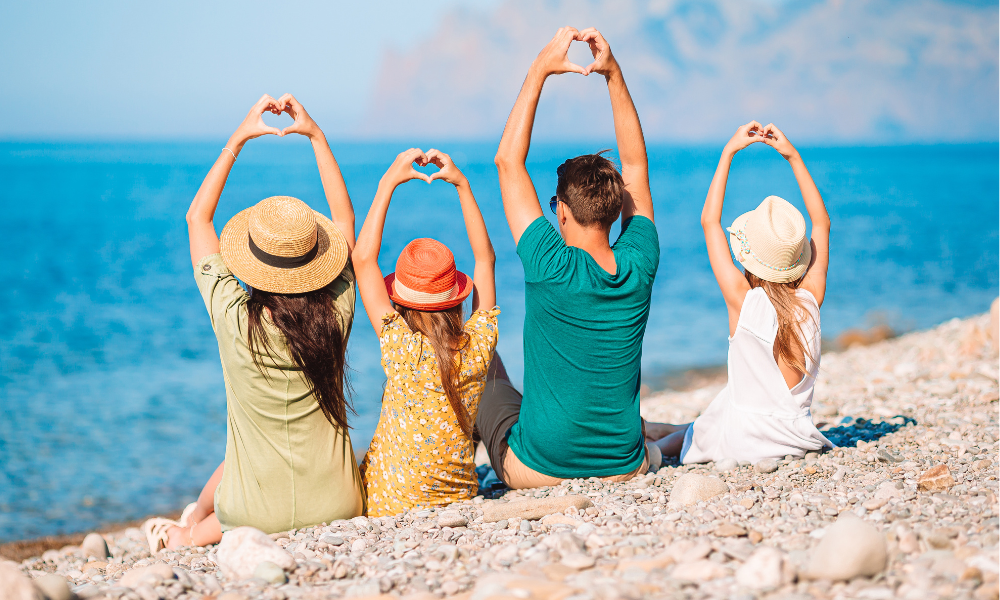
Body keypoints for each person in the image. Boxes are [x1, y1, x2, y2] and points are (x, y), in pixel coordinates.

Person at [142, 94, 365, 552]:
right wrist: (317, 137)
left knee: (239, 477)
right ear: (315, 259)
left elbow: (196, 217)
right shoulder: (338, 311)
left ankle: (182, 535)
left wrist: (238, 138)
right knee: (245, 472)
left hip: (252, 512)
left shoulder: (232, 316)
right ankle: (187, 529)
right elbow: (345, 222)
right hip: (340, 503)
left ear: (252, 263)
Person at [478, 27, 658, 488]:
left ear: (558, 210)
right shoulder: (639, 262)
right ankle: (657, 444)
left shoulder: (548, 264)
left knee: (487, 378)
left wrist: (540, 68)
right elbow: (635, 167)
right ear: (619, 208)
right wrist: (613, 74)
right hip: (624, 466)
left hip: (538, 470)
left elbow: (507, 163)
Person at [650, 122, 833, 463]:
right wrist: (792, 156)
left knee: (708, 424)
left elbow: (710, 222)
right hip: (795, 439)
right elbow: (821, 223)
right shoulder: (811, 300)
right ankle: (666, 432)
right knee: (718, 411)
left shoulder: (744, 302)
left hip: (742, 442)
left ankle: (656, 446)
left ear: (750, 259)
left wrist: (728, 152)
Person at [353, 148, 499, 516]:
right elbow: (485, 260)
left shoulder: (401, 347)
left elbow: (362, 260)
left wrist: (389, 182)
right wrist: (463, 186)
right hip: (462, 496)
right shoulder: (479, 346)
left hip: (388, 503)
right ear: (456, 297)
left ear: (399, 300)